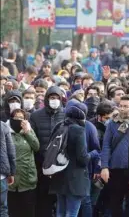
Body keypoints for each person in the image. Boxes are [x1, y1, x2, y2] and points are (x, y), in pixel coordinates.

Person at [49, 100, 99, 217]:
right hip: (76, 179)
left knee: (60, 211)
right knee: (71, 213)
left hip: (59, 174)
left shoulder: (59, 126)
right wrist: (93, 154)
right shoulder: (79, 130)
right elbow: (82, 159)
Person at [100, 95, 129, 217]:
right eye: (120, 106)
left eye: (126, 106)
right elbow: (106, 146)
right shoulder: (112, 123)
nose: (122, 109)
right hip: (115, 168)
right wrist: (104, 167)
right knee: (115, 202)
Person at [29, 86, 65, 217]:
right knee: (43, 201)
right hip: (41, 165)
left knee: (60, 201)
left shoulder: (66, 115)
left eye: (57, 98)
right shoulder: (36, 116)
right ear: (47, 99)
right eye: (52, 98)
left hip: (61, 166)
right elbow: (32, 139)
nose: (54, 100)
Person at [6, 108, 39, 217]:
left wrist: (28, 132)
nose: (18, 120)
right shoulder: (6, 132)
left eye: (21, 118)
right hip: (11, 180)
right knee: (13, 211)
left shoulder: (29, 131)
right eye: (16, 118)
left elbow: (36, 147)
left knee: (28, 211)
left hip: (27, 179)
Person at [0, 121, 16, 217]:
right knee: (2, 209)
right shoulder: (3, 126)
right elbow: (11, 151)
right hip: (1, 176)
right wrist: (12, 173)